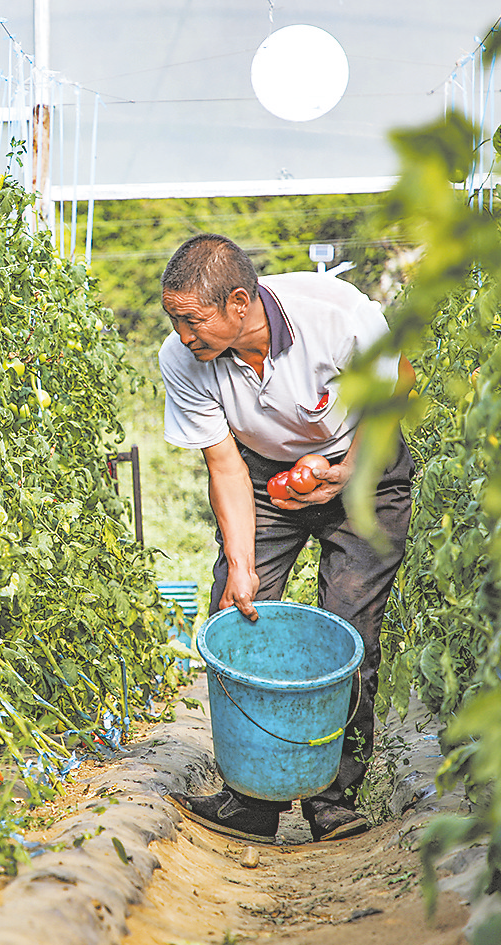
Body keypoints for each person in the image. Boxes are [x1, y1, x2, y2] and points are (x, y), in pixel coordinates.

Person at [156, 234, 415, 844]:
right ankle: (250, 798)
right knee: (238, 611)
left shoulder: (338, 316)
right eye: (174, 319)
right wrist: (241, 565)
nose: (183, 335)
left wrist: (343, 473)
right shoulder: (182, 358)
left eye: (192, 320)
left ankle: (333, 798)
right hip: (265, 476)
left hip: (363, 468)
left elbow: (396, 390)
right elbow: (225, 467)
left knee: (350, 629)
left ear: (238, 303)